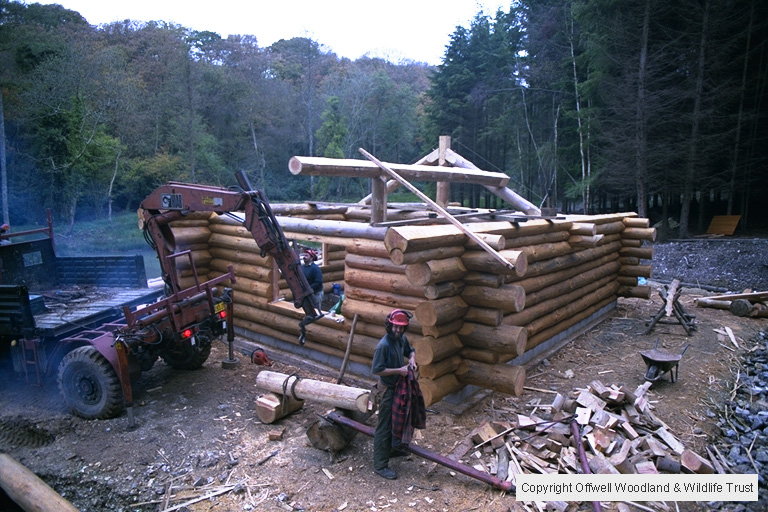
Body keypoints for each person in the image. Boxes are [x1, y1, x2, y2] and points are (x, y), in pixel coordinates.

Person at [370, 309, 417, 480]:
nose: (397, 330)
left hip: (398, 388)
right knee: (384, 427)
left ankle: (392, 449)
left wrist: (412, 358)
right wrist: (399, 370)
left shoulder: (401, 339)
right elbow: (377, 370)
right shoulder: (383, 346)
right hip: (387, 391)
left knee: (397, 422)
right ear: (390, 325)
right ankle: (380, 465)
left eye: (401, 328)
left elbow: (410, 350)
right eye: (395, 327)